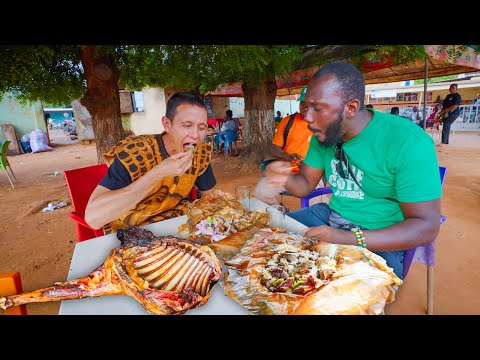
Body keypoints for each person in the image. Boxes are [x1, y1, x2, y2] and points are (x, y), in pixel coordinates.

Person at [262, 62, 442, 280]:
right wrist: (283, 175)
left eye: (318, 108)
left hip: (380, 237)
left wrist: (345, 237)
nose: (308, 118)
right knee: (268, 239)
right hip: (331, 217)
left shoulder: (407, 141)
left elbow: (426, 226)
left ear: (352, 107)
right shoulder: (324, 135)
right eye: (307, 107)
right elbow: (304, 185)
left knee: (336, 293)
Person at [85, 92, 216, 234]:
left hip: (177, 226)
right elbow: (93, 219)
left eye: (202, 128)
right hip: (131, 233)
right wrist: (158, 173)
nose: (195, 135)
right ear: (167, 124)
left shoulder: (200, 153)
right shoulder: (135, 153)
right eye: (187, 125)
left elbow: (209, 198)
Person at [253, 85, 313, 205]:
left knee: (315, 206)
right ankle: (281, 214)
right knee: (260, 192)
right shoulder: (288, 122)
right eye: (303, 104)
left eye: (310, 104)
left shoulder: (324, 125)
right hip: (288, 173)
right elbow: (274, 148)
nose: (305, 108)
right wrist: (289, 156)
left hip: (312, 176)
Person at [436, 83, 462, 148]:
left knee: (446, 125)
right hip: (447, 113)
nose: (451, 89)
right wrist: (441, 113)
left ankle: (444, 142)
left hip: (454, 113)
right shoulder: (448, 96)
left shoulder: (457, 96)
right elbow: (444, 105)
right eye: (450, 87)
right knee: (446, 125)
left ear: (456, 89)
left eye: (453, 88)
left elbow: (455, 106)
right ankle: (445, 142)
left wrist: (444, 111)